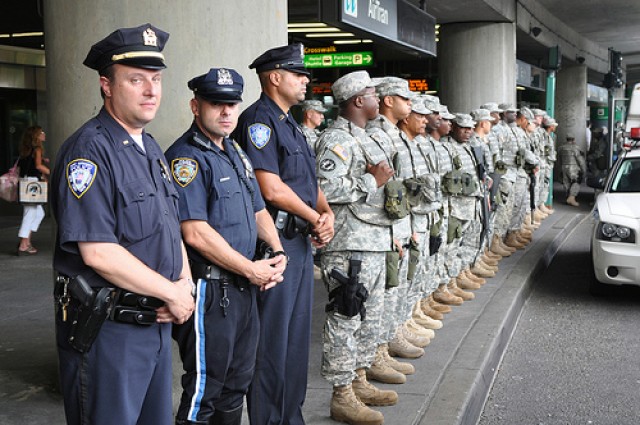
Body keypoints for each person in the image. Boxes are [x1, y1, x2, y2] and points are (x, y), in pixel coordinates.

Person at [50, 24, 195, 425]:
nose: (151, 91)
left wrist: (183, 283)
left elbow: (170, 225)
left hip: (154, 323)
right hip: (108, 334)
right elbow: (97, 251)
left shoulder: (149, 147)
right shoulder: (90, 150)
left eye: (156, 79)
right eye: (136, 80)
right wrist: (172, 291)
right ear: (106, 86)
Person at [166, 67, 287, 425]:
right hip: (210, 291)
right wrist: (251, 269)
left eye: (232, 104)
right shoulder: (186, 158)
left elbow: (258, 209)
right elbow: (195, 232)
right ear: (195, 105)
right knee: (205, 388)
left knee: (236, 385)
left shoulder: (234, 150)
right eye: (216, 104)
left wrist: (277, 250)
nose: (226, 112)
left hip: (242, 289)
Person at [233, 43, 335, 425]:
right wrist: (314, 216)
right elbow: (270, 188)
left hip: (299, 240)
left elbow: (307, 180)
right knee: (272, 345)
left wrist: (324, 213)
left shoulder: (290, 122)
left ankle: (291, 417)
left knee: (295, 343)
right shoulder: (259, 121)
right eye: (298, 74)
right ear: (274, 78)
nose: (306, 80)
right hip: (274, 244)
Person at [315, 70, 395, 425]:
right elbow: (324, 189)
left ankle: (358, 379)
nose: (378, 99)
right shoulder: (336, 140)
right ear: (357, 100)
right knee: (346, 317)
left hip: (373, 240)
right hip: (349, 245)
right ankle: (341, 395)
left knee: (369, 318)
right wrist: (369, 179)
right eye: (372, 93)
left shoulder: (365, 138)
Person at [17, 125, 49, 255]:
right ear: (36, 136)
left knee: (38, 213)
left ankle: (26, 241)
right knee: (30, 213)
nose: (44, 133)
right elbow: (38, 165)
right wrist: (52, 172)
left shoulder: (26, 150)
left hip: (26, 183)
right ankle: (23, 245)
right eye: (41, 132)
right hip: (32, 185)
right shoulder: (37, 149)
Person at [558, 134, 587, 206]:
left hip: (563, 167)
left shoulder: (561, 148)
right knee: (576, 182)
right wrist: (584, 170)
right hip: (574, 168)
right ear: (573, 139)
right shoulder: (576, 148)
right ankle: (572, 198)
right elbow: (580, 160)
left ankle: (568, 197)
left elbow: (559, 159)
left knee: (566, 183)